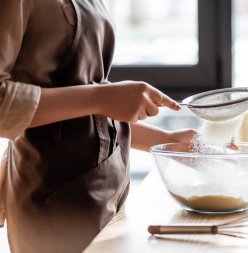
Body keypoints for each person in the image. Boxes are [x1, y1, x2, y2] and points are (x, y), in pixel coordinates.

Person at [0, 0, 196, 252]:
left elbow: (86, 107)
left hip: (106, 193)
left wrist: (166, 141)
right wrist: (100, 97)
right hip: (53, 204)